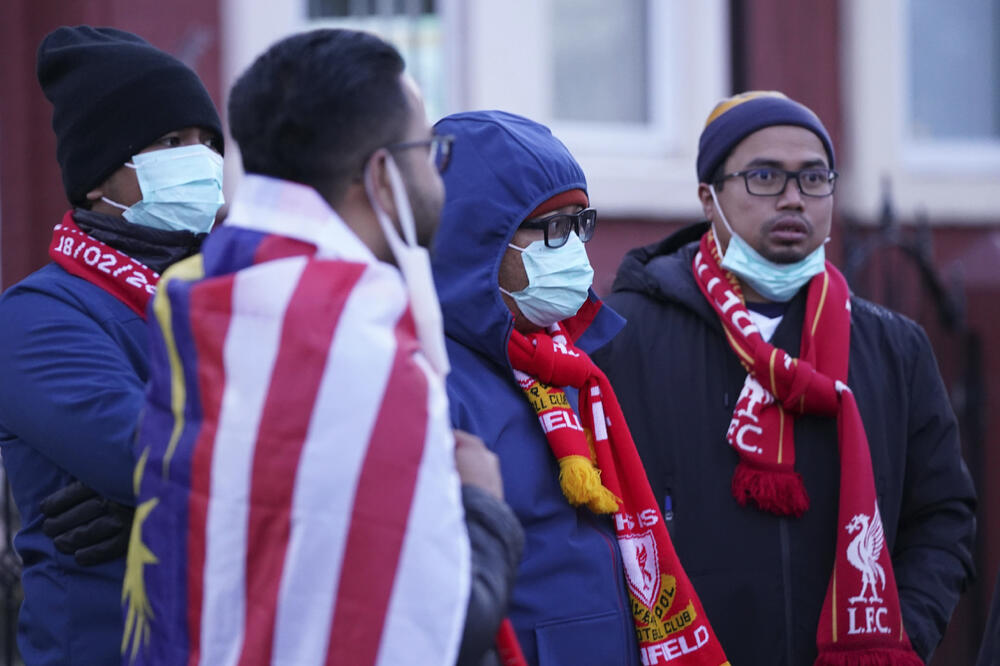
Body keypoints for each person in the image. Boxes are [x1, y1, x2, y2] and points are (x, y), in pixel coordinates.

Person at [121, 29, 522, 666]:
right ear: (384, 175)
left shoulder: (205, 300)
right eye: (430, 150)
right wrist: (483, 504)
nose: (438, 173)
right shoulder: (359, 343)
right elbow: (431, 631)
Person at [592, 91, 977, 665]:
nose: (794, 198)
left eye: (814, 178)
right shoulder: (625, 337)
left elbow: (942, 517)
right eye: (765, 176)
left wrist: (901, 634)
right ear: (709, 196)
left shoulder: (894, 348)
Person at [432, 110, 731, 666]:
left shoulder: (564, 365)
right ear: (478, 242)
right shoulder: (437, 382)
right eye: (551, 228)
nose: (571, 248)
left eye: (579, 223)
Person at [0, 25, 224, 664]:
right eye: (171, 142)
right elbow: (156, 455)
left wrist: (154, 517)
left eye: (208, 142)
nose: (201, 160)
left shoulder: (230, 290)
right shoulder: (40, 315)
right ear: (101, 177)